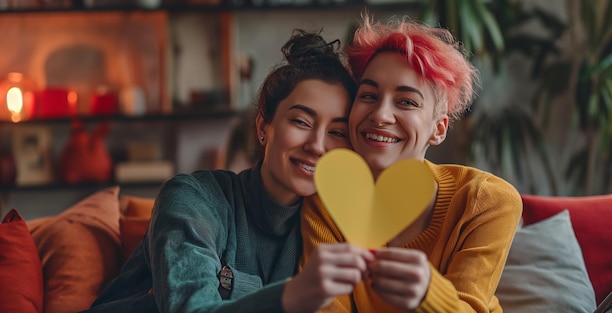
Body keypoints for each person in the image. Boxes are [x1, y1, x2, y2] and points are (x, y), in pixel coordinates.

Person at [85, 29, 373, 313]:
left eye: (337, 131)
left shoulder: (325, 227)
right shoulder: (193, 198)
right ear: (263, 126)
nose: (317, 146)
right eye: (301, 121)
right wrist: (291, 296)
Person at [300, 14, 523, 313]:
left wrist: (429, 294)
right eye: (368, 95)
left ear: (438, 129)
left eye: (406, 101)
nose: (380, 114)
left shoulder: (486, 200)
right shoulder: (327, 201)